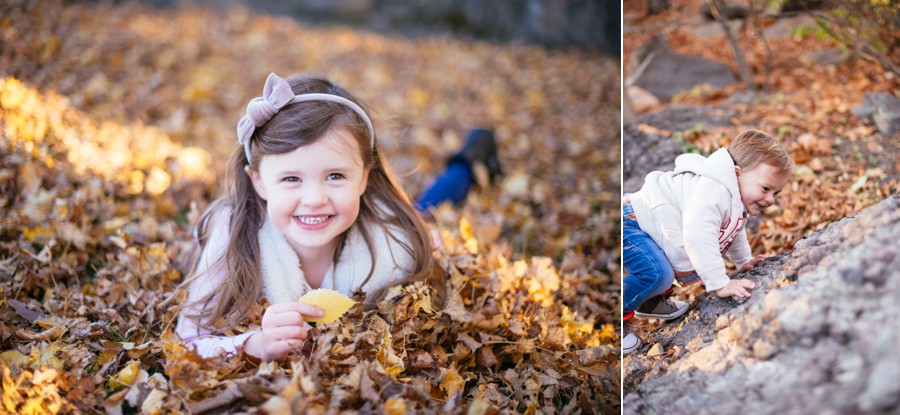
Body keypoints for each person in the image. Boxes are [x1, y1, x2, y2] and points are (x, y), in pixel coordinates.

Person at [175, 73, 440, 361]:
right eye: (291, 178)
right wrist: (255, 345)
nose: (314, 199)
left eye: (335, 176)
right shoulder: (232, 235)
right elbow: (187, 341)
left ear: (363, 178)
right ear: (259, 181)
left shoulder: (393, 243)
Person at [622, 129, 794, 355]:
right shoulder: (713, 191)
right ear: (737, 173)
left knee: (667, 260)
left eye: (776, 193)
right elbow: (698, 236)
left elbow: (735, 230)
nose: (770, 199)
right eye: (765, 189)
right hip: (631, 223)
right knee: (657, 273)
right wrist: (720, 283)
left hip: (652, 228)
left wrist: (744, 261)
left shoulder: (735, 196)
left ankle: (650, 301)